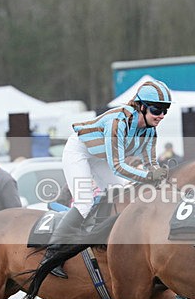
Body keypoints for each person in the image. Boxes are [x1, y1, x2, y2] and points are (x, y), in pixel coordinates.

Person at [44, 80, 173, 277]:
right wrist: (149, 176)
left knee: (120, 195)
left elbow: (150, 164)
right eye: (157, 109)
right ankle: (51, 254)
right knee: (85, 203)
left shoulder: (150, 131)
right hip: (79, 151)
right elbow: (118, 167)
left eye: (165, 110)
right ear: (141, 106)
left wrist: (161, 175)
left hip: (101, 157)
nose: (161, 115)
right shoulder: (118, 122)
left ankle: (99, 238)